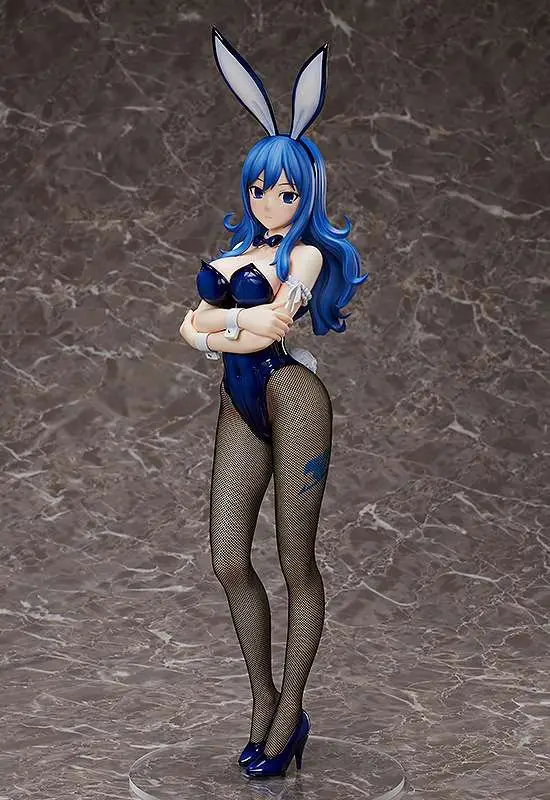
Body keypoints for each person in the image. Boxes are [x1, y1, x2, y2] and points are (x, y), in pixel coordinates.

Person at [179, 27, 368, 780]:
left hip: (293, 398)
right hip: (239, 404)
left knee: (295, 561)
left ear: (307, 192)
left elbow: (274, 329)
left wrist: (218, 327)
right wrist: (234, 326)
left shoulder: (307, 253)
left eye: (286, 191)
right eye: (261, 188)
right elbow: (186, 327)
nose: (271, 201)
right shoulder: (236, 255)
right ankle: (263, 697)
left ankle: (289, 715)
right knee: (228, 559)